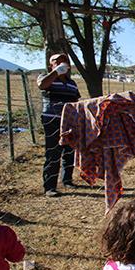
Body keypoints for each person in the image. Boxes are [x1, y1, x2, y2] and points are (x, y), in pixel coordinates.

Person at [37, 53, 81, 197]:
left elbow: (76, 101)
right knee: (53, 153)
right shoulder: (45, 77)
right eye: (57, 61)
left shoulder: (72, 83)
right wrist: (56, 72)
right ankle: (50, 187)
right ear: (51, 65)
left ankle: (67, 180)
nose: (62, 63)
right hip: (52, 120)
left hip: (69, 122)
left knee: (69, 151)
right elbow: (42, 85)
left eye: (64, 61)